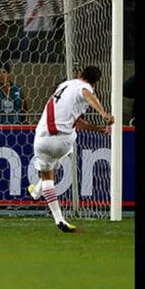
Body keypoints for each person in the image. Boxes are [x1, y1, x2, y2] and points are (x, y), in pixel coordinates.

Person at [28, 66, 114, 232]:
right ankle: (37, 191)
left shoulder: (64, 86)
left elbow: (78, 121)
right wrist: (103, 114)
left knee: (47, 177)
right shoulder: (85, 88)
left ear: (80, 74)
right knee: (69, 140)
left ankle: (59, 219)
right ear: (95, 83)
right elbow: (86, 93)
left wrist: (97, 129)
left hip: (41, 138)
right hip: (63, 142)